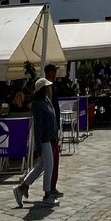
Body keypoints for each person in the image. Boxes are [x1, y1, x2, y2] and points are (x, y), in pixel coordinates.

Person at [13, 78, 60, 208]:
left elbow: (53, 119)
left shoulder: (46, 100)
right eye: (47, 87)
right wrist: (38, 146)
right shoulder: (38, 104)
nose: (49, 88)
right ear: (42, 89)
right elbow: (38, 126)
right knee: (48, 166)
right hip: (44, 139)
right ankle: (47, 194)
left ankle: (22, 187)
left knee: (41, 166)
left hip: (50, 138)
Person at [44, 63, 63, 199]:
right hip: (50, 130)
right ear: (49, 72)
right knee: (51, 161)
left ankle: (51, 186)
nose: (55, 73)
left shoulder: (52, 86)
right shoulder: (47, 88)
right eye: (54, 71)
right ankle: (50, 188)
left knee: (50, 161)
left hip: (54, 127)